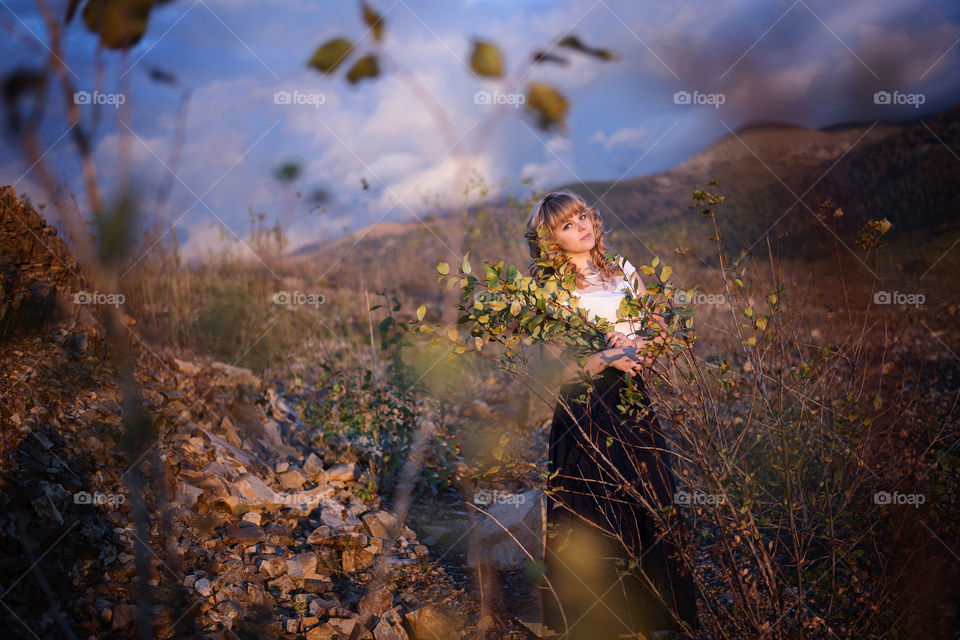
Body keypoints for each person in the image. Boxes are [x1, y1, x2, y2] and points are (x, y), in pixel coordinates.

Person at [525, 190, 698, 639]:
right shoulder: (554, 290)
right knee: (593, 508)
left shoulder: (623, 269)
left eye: (582, 215)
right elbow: (554, 370)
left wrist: (648, 348)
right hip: (585, 406)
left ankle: (658, 616)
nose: (581, 225)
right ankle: (597, 621)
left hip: (632, 397)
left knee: (652, 494)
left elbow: (655, 325)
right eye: (567, 224)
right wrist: (606, 358)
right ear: (551, 241)